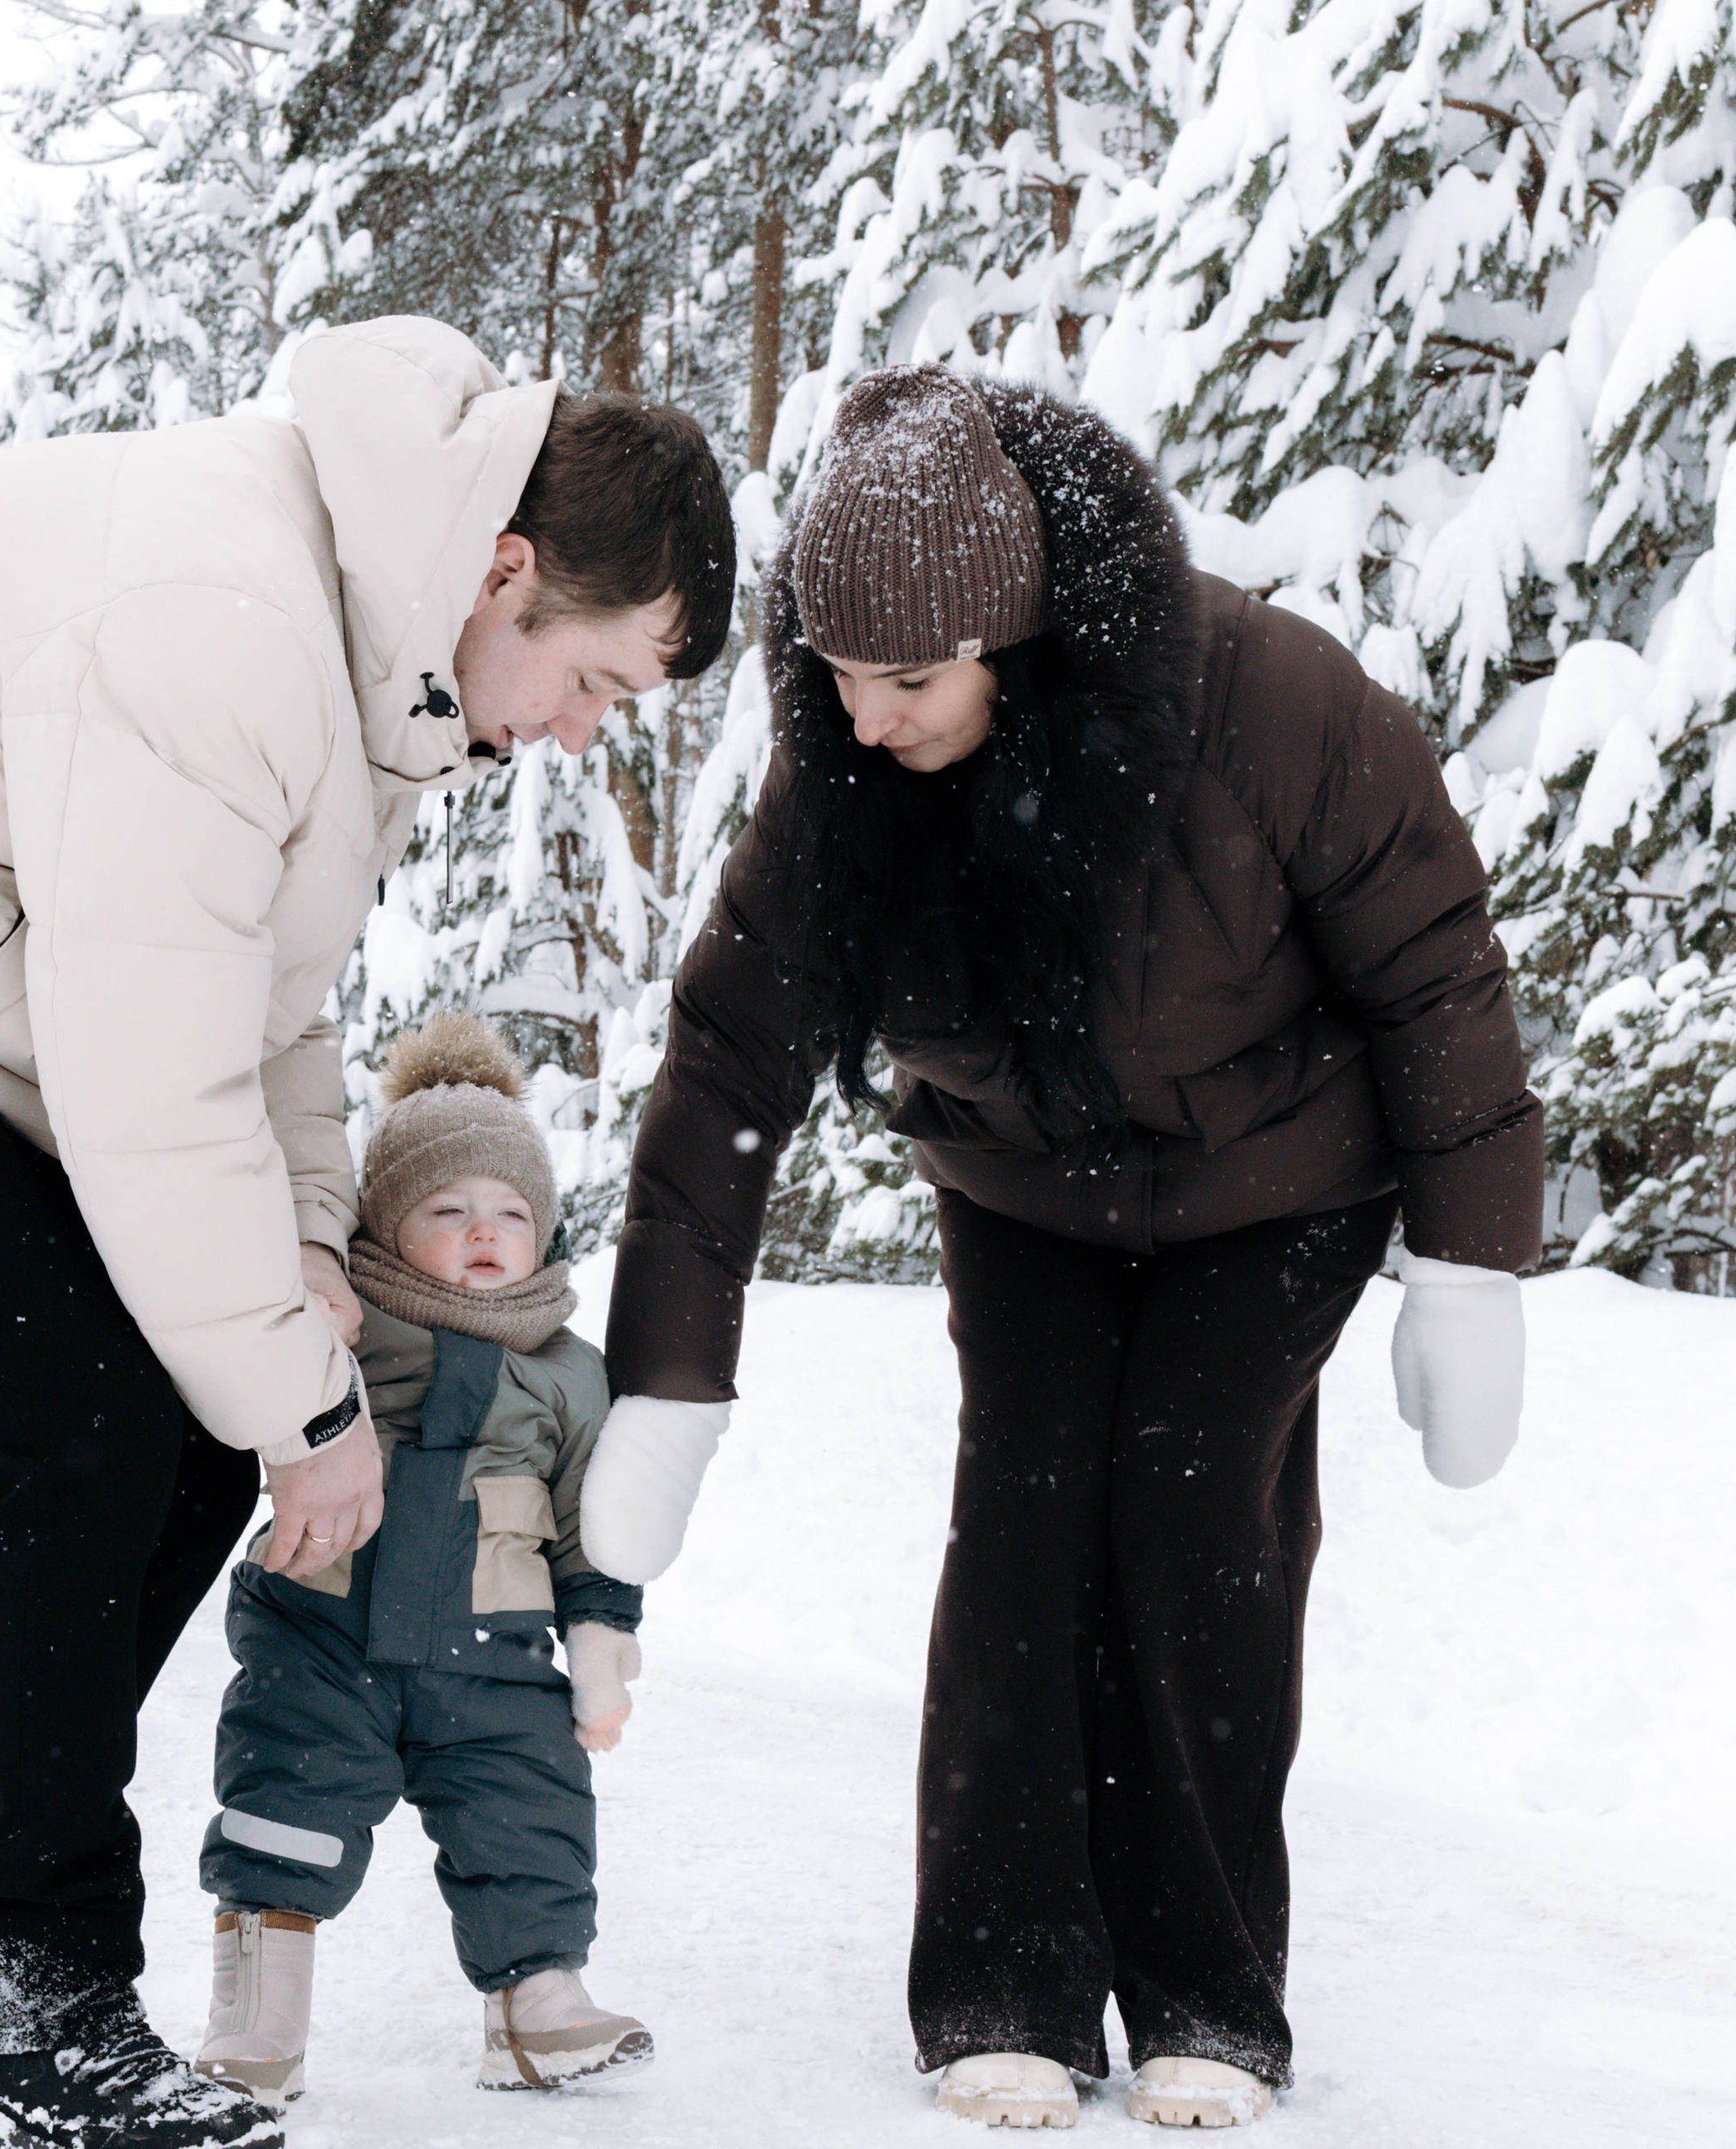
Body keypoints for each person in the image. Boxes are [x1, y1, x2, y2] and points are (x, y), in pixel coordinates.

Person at [0, 316, 729, 2149]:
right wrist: (311, 1400)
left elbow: (262, 1013)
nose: (581, 731)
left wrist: (291, 1264)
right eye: (593, 679)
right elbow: (144, 1079)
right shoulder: (229, 619)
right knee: (83, 1430)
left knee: (184, 1423)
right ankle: (31, 1997)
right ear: (504, 572)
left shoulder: (359, 655)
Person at [580, 366, 1538, 2129]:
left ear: (1014, 640)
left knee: (1190, 1512)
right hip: (1024, 1186)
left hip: (1278, 1177)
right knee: (1023, 1511)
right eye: (836, 678)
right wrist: (666, 1379)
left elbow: (1431, 966)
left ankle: (1206, 1988)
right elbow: (726, 1065)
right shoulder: (842, 775)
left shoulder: (1265, 702)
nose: (861, 721)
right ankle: (1002, 1976)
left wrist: (1472, 1262)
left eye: (907, 681)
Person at [192, 1012, 648, 2104]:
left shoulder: (569, 1374)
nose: (483, 1230)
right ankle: (258, 2012)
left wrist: (602, 1641)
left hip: (497, 1654)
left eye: (510, 1210)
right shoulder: (336, 1329)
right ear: (388, 1230)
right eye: (446, 1210)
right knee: (286, 1801)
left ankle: (540, 2001)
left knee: (529, 1812)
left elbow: (597, 1519)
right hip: (323, 1630)